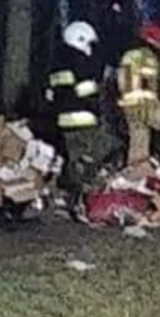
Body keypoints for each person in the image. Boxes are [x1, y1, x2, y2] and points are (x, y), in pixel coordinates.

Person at [46, 21, 121, 202]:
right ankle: (77, 189)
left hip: (64, 121)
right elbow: (83, 90)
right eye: (88, 43)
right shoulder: (78, 61)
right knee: (107, 146)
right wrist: (99, 87)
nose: (90, 49)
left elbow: (53, 94)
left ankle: (71, 195)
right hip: (83, 118)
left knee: (77, 158)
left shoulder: (57, 63)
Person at [117, 22, 160, 165]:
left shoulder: (129, 54)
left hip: (129, 102)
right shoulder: (148, 57)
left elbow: (123, 82)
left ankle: (136, 170)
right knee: (142, 141)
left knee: (136, 137)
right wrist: (157, 115)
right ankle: (139, 173)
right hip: (143, 105)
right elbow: (152, 86)